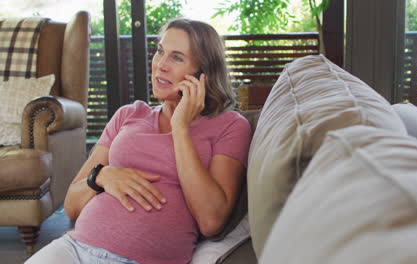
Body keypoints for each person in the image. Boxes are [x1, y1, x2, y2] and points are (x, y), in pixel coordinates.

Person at [26, 18, 252, 264]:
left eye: (177, 58)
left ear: (203, 74)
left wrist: (180, 128)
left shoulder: (230, 126)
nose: (161, 65)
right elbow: (71, 205)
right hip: (74, 248)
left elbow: (211, 221)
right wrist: (101, 176)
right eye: (160, 51)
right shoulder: (129, 114)